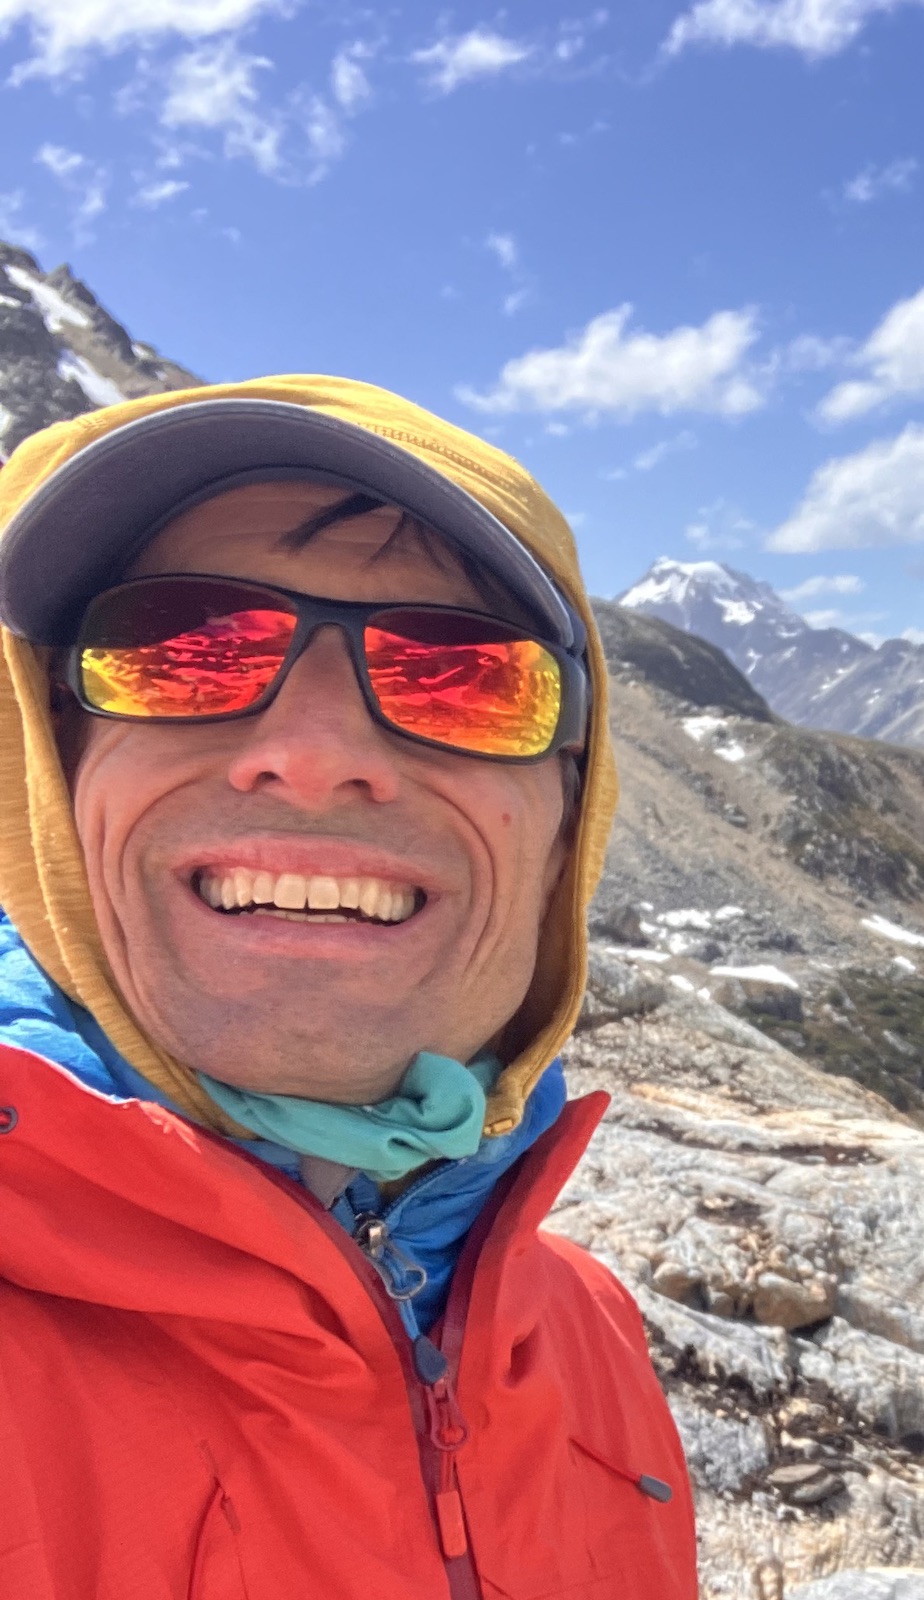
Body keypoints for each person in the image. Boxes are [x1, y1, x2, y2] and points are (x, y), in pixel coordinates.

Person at [0, 376, 697, 1597]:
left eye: (464, 676)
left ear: (565, 820)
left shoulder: (590, 1337)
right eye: (181, 650)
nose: (316, 756)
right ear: (48, 769)